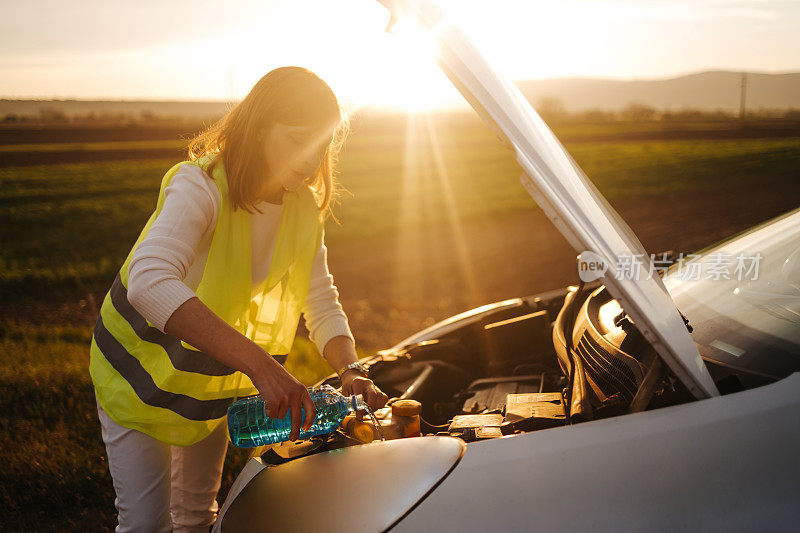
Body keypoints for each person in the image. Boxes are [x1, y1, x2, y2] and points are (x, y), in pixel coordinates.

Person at [89, 66, 389, 532]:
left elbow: (321, 300)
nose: (311, 158)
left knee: (196, 519)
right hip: (136, 374)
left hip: (206, 383)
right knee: (146, 524)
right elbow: (147, 280)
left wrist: (351, 368)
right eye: (295, 139)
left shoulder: (303, 208)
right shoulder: (200, 184)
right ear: (257, 128)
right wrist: (262, 367)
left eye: (322, 142)